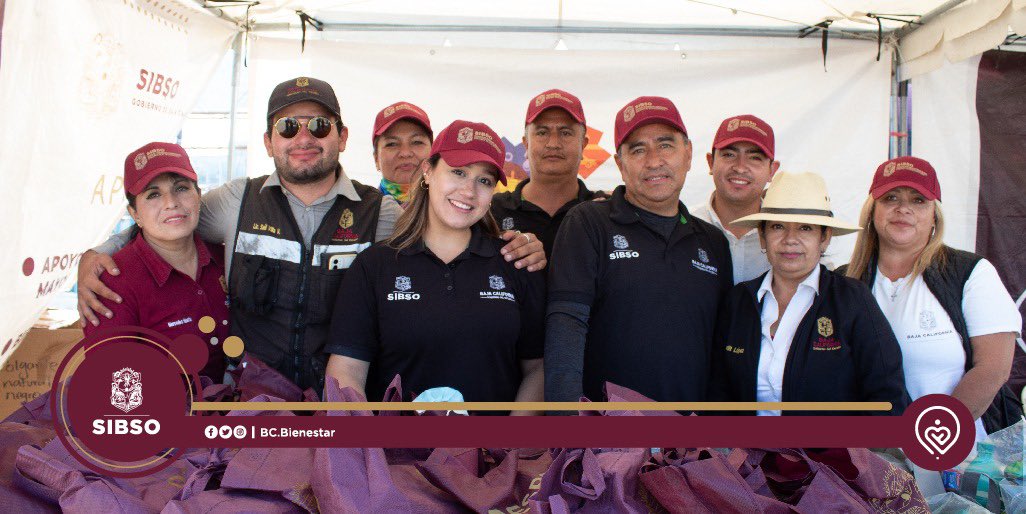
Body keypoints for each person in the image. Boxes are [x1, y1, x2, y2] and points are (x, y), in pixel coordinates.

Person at [76, 77, 546, 391]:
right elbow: (167, 217)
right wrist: (99, 252)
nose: (304, 137)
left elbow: (450, 218)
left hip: (339, 399)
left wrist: (514, 242)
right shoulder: (235, 201)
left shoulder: (381, 211)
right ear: (268, 141)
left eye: (319, 125)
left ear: (341, 136)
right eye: (288, 127)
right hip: (254, 403)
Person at [325, 121, 545, 414]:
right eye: (458, 172)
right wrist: (366, 452)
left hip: (495, 456)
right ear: (428, 171)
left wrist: (511, 448)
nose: (469, 191)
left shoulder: (514, 262)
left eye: (484, 180)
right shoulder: (375, 265)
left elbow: (538, 369)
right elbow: (347, 370)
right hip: (395, 456)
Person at [545, 96, 733, 406]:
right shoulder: (588, 222)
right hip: (605, 444)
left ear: (688, 155)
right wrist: (567, 433)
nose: (654, 160)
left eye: (666, 145)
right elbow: (565, 331)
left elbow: (719, 350)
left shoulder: (712, 242)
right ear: (620, 164)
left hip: (690, 443)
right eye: (637, 149)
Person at [840, 156, 1021, 434]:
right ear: (872, 211)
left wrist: (933, 436)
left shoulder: (971, 273)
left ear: (934, 214)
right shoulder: (841, 282)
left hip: (961, 454)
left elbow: (994, 369)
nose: (903, 209)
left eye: (918, 200)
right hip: (873, 455)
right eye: (891, 198)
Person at [710, 172, 909, 415]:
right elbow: (718, 395)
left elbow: (887, 395)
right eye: (777, 227)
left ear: (824, 238)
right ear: (763, 237)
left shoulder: (851, 299)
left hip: (828, 452)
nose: (790, 240)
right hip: (747, 451)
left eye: (805, 228)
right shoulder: (738, 301)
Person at [83, 142, 227, 381]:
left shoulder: (226, 259)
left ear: (199, 196)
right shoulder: (113, 283)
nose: (171, 203)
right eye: (154, 194)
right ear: (134, 214)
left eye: (181, 188)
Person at [490, 89, 606, 259]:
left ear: (583, 145)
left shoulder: (605, 211)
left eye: (565, 133)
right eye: (542, 133)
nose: (553, 143)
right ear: (526, 144)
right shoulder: (492, 211)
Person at [692, 114, 779, 283]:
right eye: (729, 154)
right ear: (711, 162)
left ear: (772, 171)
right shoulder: (684, 226)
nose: (740, 167)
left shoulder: (785, 238)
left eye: (754, 158)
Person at [372, 101, 433, 206]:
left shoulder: (453, 210)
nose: (405, 153)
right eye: (392, 144)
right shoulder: (361, 213)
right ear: (376, 159)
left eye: (417, 142)